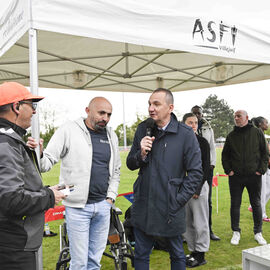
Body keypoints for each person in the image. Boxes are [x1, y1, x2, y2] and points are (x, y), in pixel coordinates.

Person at [29, 97, 121, 270]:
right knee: (79, 263)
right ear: (88, 110)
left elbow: (116, 170)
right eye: (101, 113)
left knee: (94, 262)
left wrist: (110, 198)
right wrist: (39, 153)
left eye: (109, 114)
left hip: (103, 206)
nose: (106, 118)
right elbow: (45, 164)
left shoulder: (111, 135)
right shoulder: (68, 130)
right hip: (77, 209)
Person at [126, 88, 203, 270]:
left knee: (177, 254)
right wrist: (141, 154)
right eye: (149, 104)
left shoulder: (185, 134)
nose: (151, 108)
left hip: (170, 206)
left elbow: (195, 173)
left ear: (170, 107)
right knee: (141, 255)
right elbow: (131, 163)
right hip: (144, 204)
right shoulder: (143, 128)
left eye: (156, 104)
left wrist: (178, 200)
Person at [0, 82, 65, 270]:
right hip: (13, 246)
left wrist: (45, 191)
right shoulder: (7, 144)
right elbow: (11, 199)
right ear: (16, 107)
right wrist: (50, 196)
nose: (35, 112)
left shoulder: (10, 140)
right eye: (32, 105)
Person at [222, 110, 269, 245]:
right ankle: (236, 232)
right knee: (235, 204)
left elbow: (264, 153)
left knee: (256, 203)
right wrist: (228, 170)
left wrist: (261, 170)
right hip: (235, 177)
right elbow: (225, 155)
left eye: (239, 116)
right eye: (235, 116)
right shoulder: (231, 136)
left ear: (246, 118)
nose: (236, 118)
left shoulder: (257, 132)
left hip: (254, 176)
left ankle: (258, 232)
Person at [182, 113, 210, 268]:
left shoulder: (202, 142)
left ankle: (201, 254)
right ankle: (193, 251)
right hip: (184, 188)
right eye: (190, 122)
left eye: (195, 122)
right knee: (187, 222)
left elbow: (206, 167)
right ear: (183, 124)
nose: (193, 125)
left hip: (198, 186)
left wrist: (197, 188)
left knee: (200, 222)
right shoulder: (180, 142)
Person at [191, 105, 220, 241]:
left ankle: (209, 229)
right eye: (194, 113)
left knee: (207, 200)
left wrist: (212, 163)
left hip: (207, 169)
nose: (197, 115)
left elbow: (212, 147)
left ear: (202, 114)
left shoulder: (208, 127)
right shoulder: (188, 128)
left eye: (199, 113)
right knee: (190, 201)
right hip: (191, 169)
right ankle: (190, 232)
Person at [248, 117, 270, 222]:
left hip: (265, 167)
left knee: (267, 190)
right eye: (266, 123)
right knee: (261, 191)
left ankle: (253, 206)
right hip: (260, 168)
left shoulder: (261, 135)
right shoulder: (256, 135)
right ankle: (262, 215)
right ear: (260, 124)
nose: (268, 124)